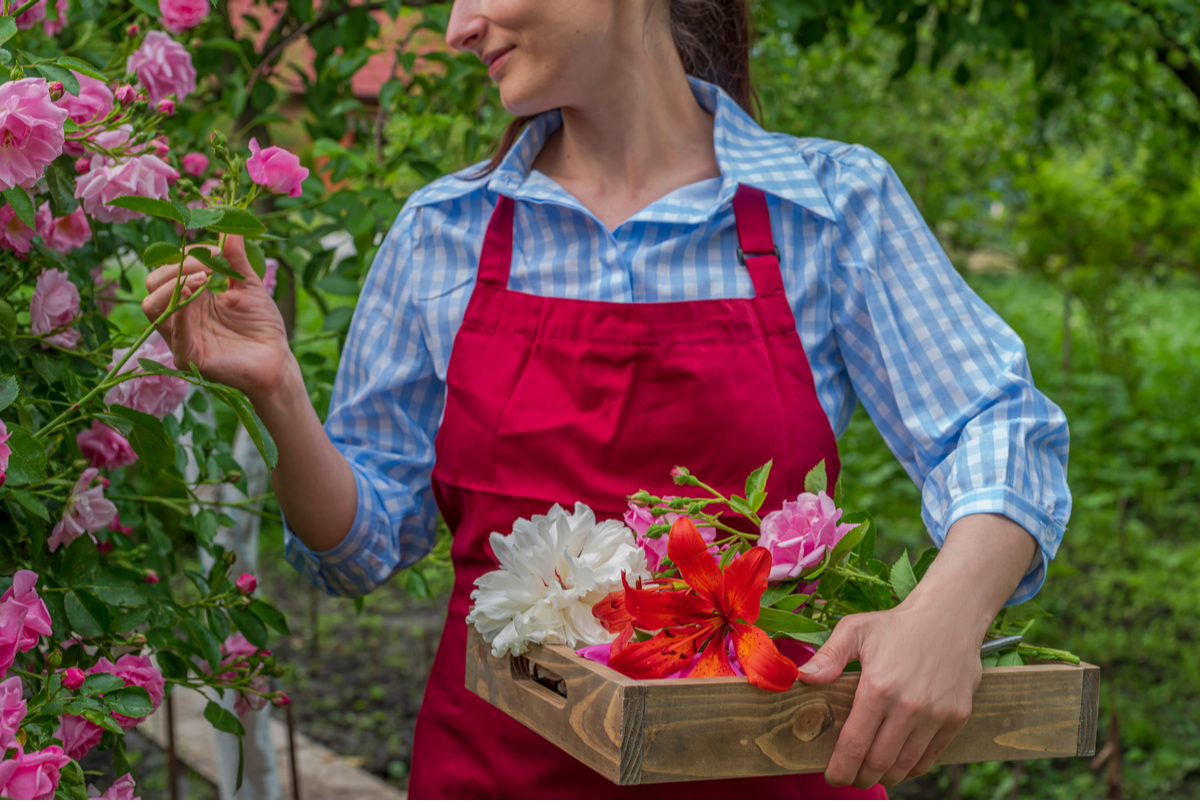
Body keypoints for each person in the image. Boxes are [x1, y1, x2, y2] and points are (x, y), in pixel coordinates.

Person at [142, 0, 1071, 797]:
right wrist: (279, 397)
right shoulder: (445, 232)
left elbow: (996, 423)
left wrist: (945, 612)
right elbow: (360, 549)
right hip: (493, 770)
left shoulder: (827, 206)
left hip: (768, 767)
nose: (460, 26)